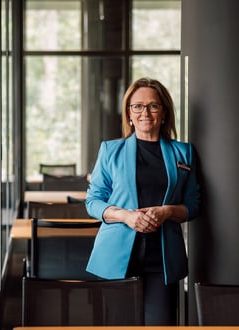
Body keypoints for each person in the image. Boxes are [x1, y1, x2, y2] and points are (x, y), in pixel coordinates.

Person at [85, 77, 201, 325]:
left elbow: (193, 204)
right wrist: (126, 216)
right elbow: (93, 201)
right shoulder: (110, 150)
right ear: (129, 113)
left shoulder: (184, 152)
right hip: (116, 258)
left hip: (162, 260)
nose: (144, 112)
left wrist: (168, 211)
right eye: (137, 106)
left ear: (163, 112)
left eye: (153, 106)